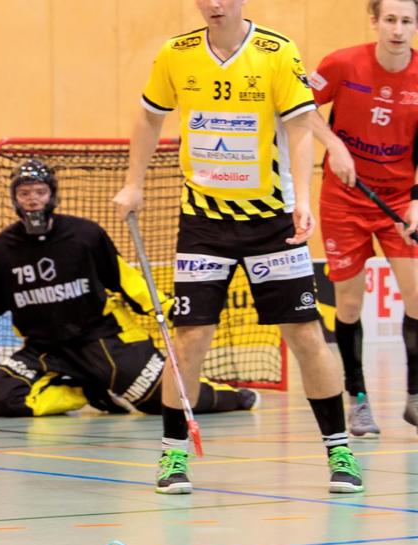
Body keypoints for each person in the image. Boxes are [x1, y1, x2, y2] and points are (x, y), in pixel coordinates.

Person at [112, 0, 364, 495]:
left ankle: (339, 448)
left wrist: (303, 199)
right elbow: (148, 117)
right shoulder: (176, 53)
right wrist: (133, 183)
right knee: (188, 339)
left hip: (272, 221)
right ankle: (173, 455)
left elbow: (298, 126)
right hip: (204, 222)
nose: (215, 4)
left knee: (306, 335)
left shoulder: (276, 51)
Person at [0, 159, 260, 418]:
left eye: (39, 191)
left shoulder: (85, 235)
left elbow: (125, 279)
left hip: (104, 339)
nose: (32, 199)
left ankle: (233, 397)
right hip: (45, 349)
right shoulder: (0, 251)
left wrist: (165, 307)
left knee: (158, 400)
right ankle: (88, 391)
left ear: (53, 195)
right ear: (13, 199)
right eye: (25, 193)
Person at [305, 0, 418, 437]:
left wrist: (416, 201)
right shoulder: (342, 63)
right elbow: (299, 106)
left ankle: (413, 399)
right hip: (346, 198)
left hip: (397, 200)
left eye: (406, 21)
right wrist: (333, 143)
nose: (397, 29)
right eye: (389, 19)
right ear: (374, 21)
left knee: (417, 297)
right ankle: (360, 400)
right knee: (349, 304)